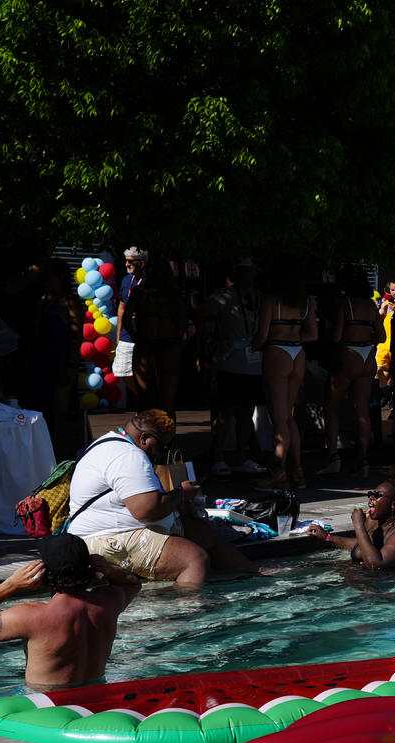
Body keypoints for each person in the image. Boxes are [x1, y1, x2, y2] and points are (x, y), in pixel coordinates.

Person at [68, 409, 252, 592]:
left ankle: (254, 575)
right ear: (145, 438)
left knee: (203, 533)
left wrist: (176, 503)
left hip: (112, 532)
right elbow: (147, 511)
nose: (164, 453)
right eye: (163, 446)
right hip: (106, 539)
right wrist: (181, 494)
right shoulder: (129, 456)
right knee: (194, 559)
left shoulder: (111, 443)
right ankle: (186, 607)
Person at [0, 534, 142, 689]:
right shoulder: (108, 602)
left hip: (45, 704)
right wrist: (108, 570)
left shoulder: (31, 616)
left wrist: (11, 584)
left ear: (43, 573)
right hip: (94, 696)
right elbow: (133, 584)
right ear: (90, 567)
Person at [254, 266, 318, 487]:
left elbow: (262, 335)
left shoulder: (270, 300)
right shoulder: (304, 302)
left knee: (279, 418)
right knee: (289, 417)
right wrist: (294, 337)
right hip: (297, 353)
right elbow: (313, 334)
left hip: (277, 352)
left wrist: (254, 345)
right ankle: (297, 471)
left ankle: (279, 471)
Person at [200, 260, 264, 477]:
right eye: (244, 271)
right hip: (229, 362)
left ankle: (241, 457)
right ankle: (219, 458)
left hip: (253, 364)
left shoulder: (260, 297)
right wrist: (212, 340)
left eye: (251, 271)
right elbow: (200, 314)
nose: (249, 275)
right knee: (225, 412)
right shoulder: (224, 296)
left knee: (247, 412)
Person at [114, 248, 189, 422]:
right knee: (168, 400)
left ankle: (148, 436)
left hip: (146, 344)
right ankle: (168, 436)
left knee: (145, 398)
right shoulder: (173, 295)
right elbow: (182, 322)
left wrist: (136, 336)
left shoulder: (141, 292)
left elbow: (126, 319)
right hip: (169, 344)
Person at [326, 265, 384, 477]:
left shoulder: (345, 303)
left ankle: (333, 457)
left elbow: (336, 337)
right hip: (367, 357)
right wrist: (367, 338)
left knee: (331, 407)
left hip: (349, 354)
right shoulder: (370, 305)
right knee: (362, 410)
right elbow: (382, 336)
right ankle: (363, 460)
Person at [316, 477, 395, 570]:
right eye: (371, 494)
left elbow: (376, 565)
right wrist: (326, 537)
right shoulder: (374, 521)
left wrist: (359, 526)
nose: (371, 498)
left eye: (378, 495)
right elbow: (362, 543)